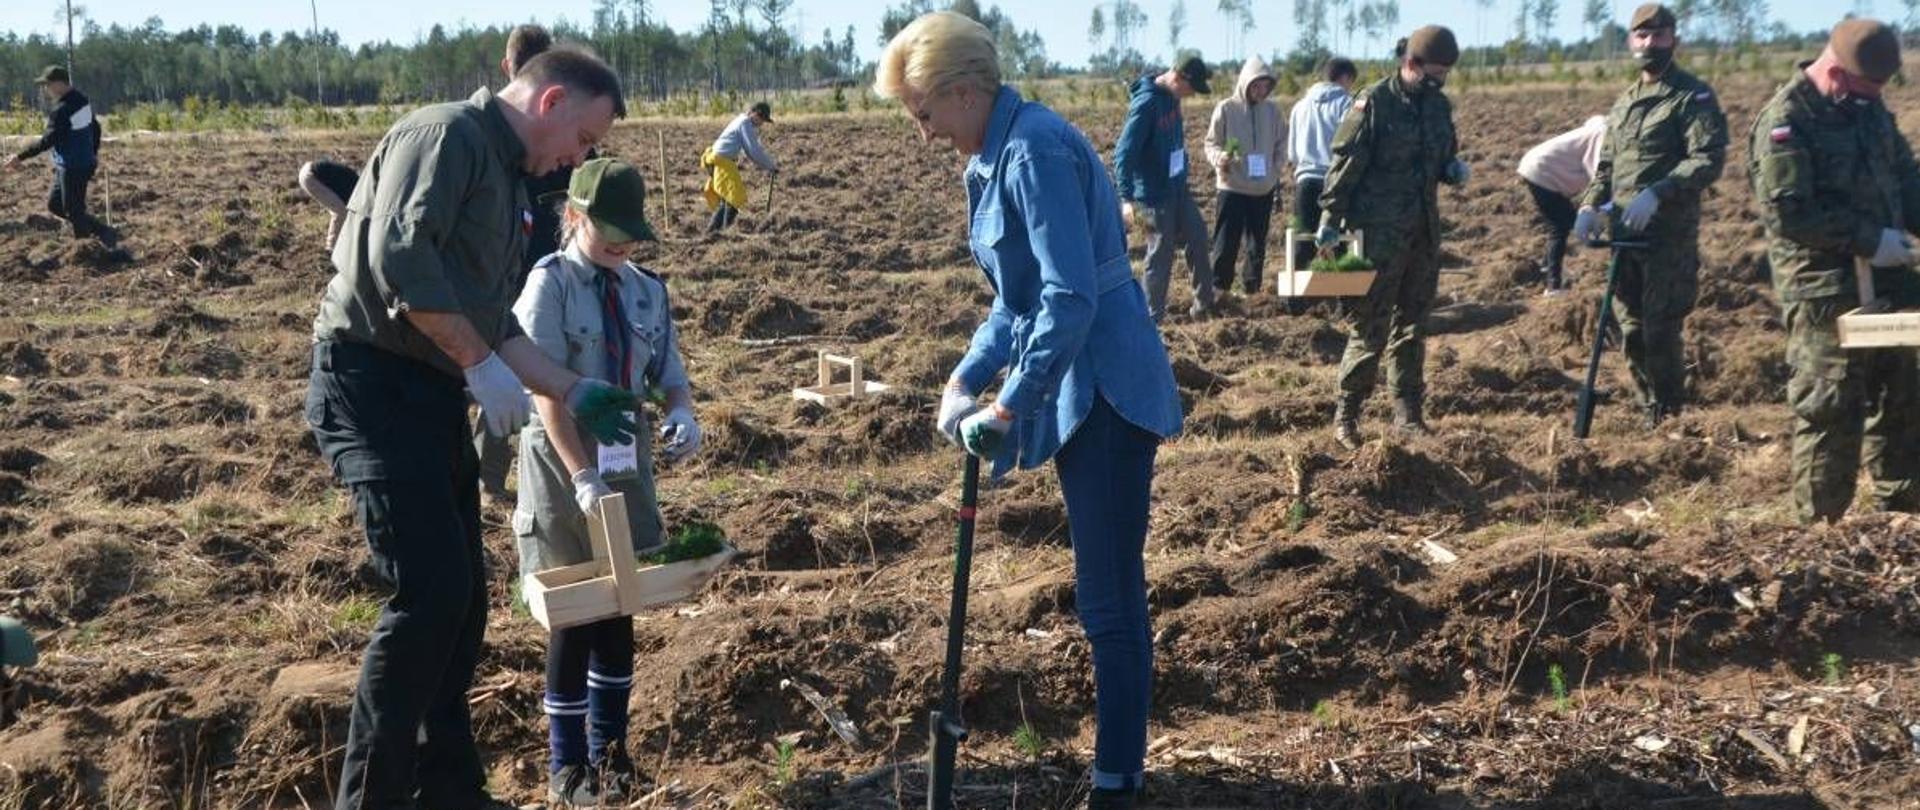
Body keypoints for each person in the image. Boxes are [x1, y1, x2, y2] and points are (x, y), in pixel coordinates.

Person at [305, 47, 642, 810]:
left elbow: (492, 320)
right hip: (372, 386)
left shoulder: (509, 180)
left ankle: (449, 791)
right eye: (584, 140)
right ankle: (373, 799)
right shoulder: (449, 136)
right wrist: (477, 364)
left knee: (462, 604)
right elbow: (399, 259)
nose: (577, 159)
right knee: (427, 597)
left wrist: (569, 386)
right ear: (552, 101)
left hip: (427, 397)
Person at [876, 13, 1183, 809]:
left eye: (924, 112)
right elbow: (1014, 303)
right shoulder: (993, 157)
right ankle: (1121, 768)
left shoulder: (1035, 149)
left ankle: (1118, 784)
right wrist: (966, 375)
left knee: (1109, 599)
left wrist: (1010, 404)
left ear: (965, 91)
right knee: (1102, 594)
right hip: (1079, 383)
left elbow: (1069, 296)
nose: (923, 131)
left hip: (1108, 386)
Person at [513, 158, 699, 806]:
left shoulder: (647, 289)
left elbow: (667, 371)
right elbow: (544, 390)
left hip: (625, 461)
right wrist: (580, 475)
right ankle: (567, 771)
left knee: (622, 603)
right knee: (577, 610)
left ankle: (612, 755)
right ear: (575, 216)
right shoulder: (551, 283)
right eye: (607, 231)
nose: (621, 245)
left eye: (630, 233)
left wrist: (680, 411)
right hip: (563, 465)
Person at [1749, 18, 1919, 525]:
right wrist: (1871, 240)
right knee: (1831, 410)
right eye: (1869, 89)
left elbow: (1905, 175)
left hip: (1892, 277)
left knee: (1903, 398)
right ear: (1839, 76)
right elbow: (1790, 214)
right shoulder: (1787, 120)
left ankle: (1903, 517)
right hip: (1826, 288)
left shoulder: (1866, 108)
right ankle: (1821, 535)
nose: (1876, 99)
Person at [1573, 3, 1729, 428]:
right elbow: (1606, 166)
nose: (1650, 43)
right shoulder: (1625, 102)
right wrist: (1589, 205)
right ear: (1630, 42)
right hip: (1624, 233)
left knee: (1661, 328)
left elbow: (1708, 158)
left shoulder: (1691, 97)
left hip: (1667, 236)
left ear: (1673, 40)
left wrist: (1659, 191)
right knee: (1632, 329)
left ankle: (1670, 415)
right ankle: (1649, 409)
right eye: (1642, 36)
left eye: (1658, 36)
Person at [1318, 26, 1470, 449]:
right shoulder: (1374, 104)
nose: (1438, 81)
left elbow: (1442, 157)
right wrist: (1330, 218)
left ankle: (1408, 414)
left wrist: (1451, 170)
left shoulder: (1438, 107)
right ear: (1411, 63)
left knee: (1413, 327)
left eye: (1445, 74)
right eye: (1433, 73)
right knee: (1370, 329)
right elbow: (1345, 167)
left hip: (1422, 235)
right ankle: (1347, 415)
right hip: (1376, 237)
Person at [1116, 55, 1217, 321]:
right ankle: (1150, 317)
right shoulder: (1146, 104)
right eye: (1191, 88)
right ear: (1178, 77)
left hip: (1177, 188)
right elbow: (1124, 154)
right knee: (1160, 254)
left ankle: (1204, 307)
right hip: (1152, 195)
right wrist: (1125, 198)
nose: (1191, 94)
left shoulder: (1173, 97)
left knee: (1198, 235)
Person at [1203, 56, 1287, 297]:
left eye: (1266, 86)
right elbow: (1211, 143)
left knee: (1256, 244)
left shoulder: (1272, 111)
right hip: (1232, 186)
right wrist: (1221, 158)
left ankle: (1252, 290)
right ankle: (1219, 290)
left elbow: (1282, 142)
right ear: (1245, 83)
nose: (1261, 91)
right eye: (1256, 86)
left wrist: (1275, 167)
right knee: (1226, 242)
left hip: (1263, 188)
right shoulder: (1226, 108)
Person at [3, 66, 103, 239]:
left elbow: (47, 141)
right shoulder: (82, 100)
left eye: (47, 85)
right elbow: (96, 128)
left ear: (58, 83)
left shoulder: (62, 110)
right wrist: (92, 153)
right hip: (75, 163)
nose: (45, 89)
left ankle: (87, 246)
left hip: (73, 165)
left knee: (73, 210)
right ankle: (100, 230)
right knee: (55, 205)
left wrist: (19, 157)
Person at [1517, 115, 1607, 296]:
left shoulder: (1595, 129)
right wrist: (1600, 205)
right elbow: (1597, 171)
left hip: (1537, 166)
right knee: (1559, 227)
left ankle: (1546, 272)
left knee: (1560, 224)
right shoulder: (1603, 134)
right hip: (1542, 171)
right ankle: (1553, 286)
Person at [1287, 57, 1357, 276]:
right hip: (1335, 183)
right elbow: (1350, 145)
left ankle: (1297, 302)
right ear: (1345, 78)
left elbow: (1292, 153)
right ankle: (1341, 301)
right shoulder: (1346, 104)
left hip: (1305, 182)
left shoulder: (1299, 106)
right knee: (1338, 240)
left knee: (1304, 243)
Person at [703, 101, 778, 233]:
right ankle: (714, 234)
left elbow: (749, 149)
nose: (762, 124)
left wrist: (766, 163)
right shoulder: (745, 123)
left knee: (728, 200)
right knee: (733, 200)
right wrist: (770, 166)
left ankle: (717, 233)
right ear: (755, 114)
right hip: (722, 161)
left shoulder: (742, 120)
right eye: (762, 119)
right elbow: (753, 150)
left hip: (721, 160)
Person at [297, 159, 359, 251]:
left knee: (341, 211)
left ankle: (337, 245)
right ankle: (331, 248)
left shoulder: (355, 182)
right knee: (340, 211)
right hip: (310, 176)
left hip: (310, 171)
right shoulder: (355, 186)